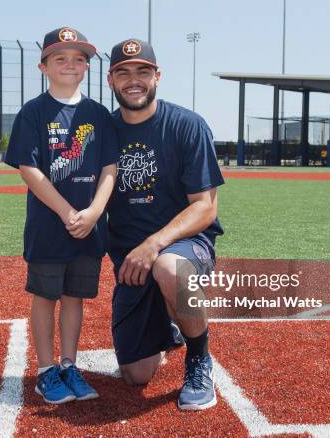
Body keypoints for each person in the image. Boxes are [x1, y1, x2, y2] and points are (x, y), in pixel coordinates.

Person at [106, 39, 224, 410]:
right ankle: (169, 320)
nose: (133, 80)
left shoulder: (187, 125)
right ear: (111, 80)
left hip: (184, 245)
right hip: (131, 263)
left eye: (143, 71)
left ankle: (199, 359)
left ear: (157, 76)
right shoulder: (103, 132)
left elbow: (204, 208)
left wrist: (154, 243)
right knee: (135, 374)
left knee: (170, 268)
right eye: (123, 73)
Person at [4, 27, 118, 404]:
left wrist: (95, 211)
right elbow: (29, 170)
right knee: (45, 295)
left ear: (87, 66)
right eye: (60, 58)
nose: (70, 64)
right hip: (49, 227)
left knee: (74, 297)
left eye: (78, 58)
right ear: (43, 67)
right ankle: (46, 369)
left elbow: (109, 168)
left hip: (88, 227)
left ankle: (70, 364)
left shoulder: (98, 114)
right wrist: (69, 211)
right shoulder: (34, 112)